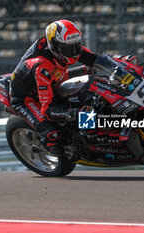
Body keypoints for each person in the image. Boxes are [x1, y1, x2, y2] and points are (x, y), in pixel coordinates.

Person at [9, 19, 98, 157]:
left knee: (90, 94)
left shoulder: (66, 46)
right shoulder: (42, 67)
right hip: (27, 98)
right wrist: (74, 114)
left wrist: (119, 60)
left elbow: (96, 60)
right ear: (55, 46)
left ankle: (90, 135)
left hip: (53, 81)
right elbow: (47, 110)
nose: (74, 52)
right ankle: (61, 150)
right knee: (52, 135)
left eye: (77, 46)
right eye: (69, 48)